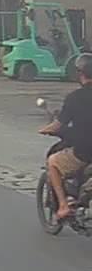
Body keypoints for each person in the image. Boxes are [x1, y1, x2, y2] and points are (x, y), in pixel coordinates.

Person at [40, 53, 92, 220]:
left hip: (84, 152)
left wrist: (44, 129)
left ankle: (63, 206)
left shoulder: (74, 98)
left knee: (53, 162)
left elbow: (58, 125)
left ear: (80, 73)